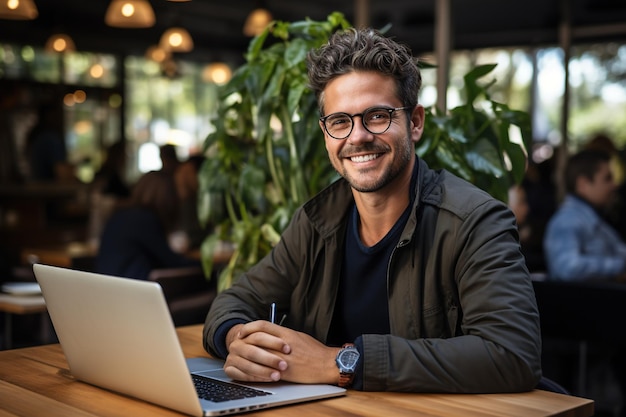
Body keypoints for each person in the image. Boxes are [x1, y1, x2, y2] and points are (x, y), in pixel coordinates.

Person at [203, 28, 541, 393]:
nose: (357, 136)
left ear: (414, 123)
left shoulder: (474, 221)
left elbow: (512, 354)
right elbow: (235, 301)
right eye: (339, 121)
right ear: (326, 133)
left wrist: (340, 363)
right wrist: (238, 340)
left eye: (377, 116)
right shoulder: (318, 220)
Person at [95, 170, 199, 280]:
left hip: (109, 285)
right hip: (130, 289)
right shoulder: (145, 219)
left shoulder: (120, 216)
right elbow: (170, 261)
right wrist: (208, 266)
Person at [544, 149, 626, 281]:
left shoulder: (592, 218)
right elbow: (567, 268)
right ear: (583, 184)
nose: (614, 185)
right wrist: (619, 267)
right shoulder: (567, 220)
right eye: (607, 178)